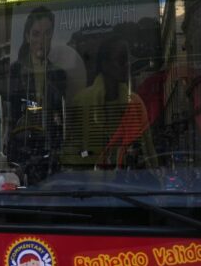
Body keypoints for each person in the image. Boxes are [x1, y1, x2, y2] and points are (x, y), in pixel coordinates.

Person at [66, 35, 156, 169]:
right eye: (121, 60)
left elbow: (149, 152)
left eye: (128, 60)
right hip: (89, 186)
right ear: (105, 65)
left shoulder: (135, 103)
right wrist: (89, 155)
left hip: (130, 186)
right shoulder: (81, 102)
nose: (127, 65)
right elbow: (72, 153)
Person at [7, 6, 68, 184]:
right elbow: (12, 113)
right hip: (23, 149)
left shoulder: (59, 74)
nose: (42, 40)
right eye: (36, 34)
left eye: (47, 33)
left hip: (51, 152)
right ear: (27, 37)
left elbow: (62, 118)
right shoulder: (15, 72)